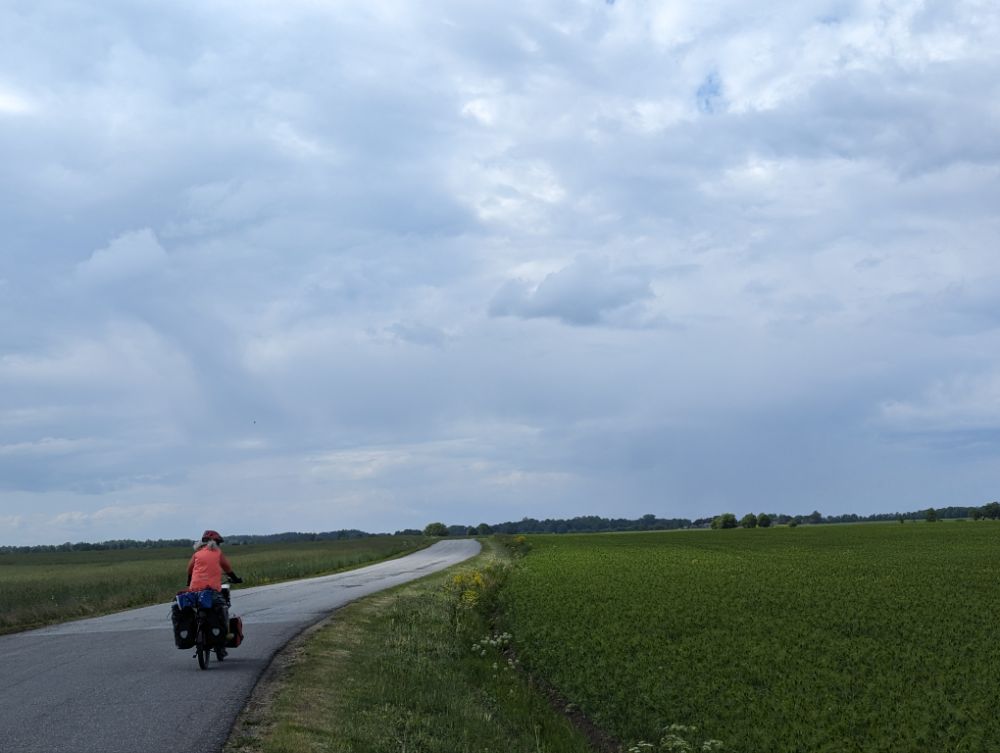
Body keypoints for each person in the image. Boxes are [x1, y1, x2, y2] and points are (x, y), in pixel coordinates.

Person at [186, 530, 243, 651]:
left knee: (194, 610)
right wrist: (236, 579)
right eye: (219, 543)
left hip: (194, 591)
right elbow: (227, 569)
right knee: (223, 607)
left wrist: (189, 582)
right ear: (215, 543)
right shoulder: (217, 553)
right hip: (211, 591)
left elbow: (189, 570)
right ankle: (225, 635)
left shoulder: (197, 554)